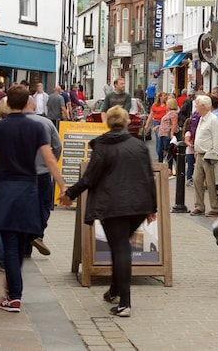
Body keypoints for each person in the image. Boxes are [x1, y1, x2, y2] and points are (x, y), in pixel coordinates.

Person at [0, 85, 72, 312]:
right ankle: (13, 289)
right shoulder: (36, 127)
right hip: (29, 190)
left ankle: (14, 296)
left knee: (9, 242)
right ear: (27, 101)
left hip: (5, 190)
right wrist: (63, 186)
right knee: (19, 241)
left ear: (8, 103)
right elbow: (49, 159)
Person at [64, 106, 157, 318]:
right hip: (138, 205)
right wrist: (153, 206)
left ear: (108, 122)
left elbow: (90, 178)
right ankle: (114, 291)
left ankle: (125, 302)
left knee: (120, 248)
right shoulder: (138, 145)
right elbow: (148, 176)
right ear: (125, 122)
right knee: (120, 245)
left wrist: (70, 193)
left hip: (113, 205)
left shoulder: (103, 146)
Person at [23, 95, 62, 258]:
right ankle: (37, 234)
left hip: (21, 174)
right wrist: (51, 163)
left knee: (25, 209)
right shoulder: (46, 123)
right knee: (44, 206)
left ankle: (26, 248)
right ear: (34, 107)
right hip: (43, 173)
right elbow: (58, 145)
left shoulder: (13, 123)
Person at [190, 95, 218, 217]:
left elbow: (217, 139)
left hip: (209, 155)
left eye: (197, 104)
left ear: (203, 106)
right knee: (197, 179)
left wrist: (215, 154)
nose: (196, 107)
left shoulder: (213, 120)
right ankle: (199, 206)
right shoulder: (202, 118)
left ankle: (215, 207)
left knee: (211, 182)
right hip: (200, 154)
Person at [155, 98, 178, 172]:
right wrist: (158, 126)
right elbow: (165, 123)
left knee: (168, 151)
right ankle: (160, 166)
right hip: (162, 133)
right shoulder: (168, 113)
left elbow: (174, 124)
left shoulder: (173, 113)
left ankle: (169, 168)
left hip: (166, 134)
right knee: (160, 151)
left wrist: (171, 133)